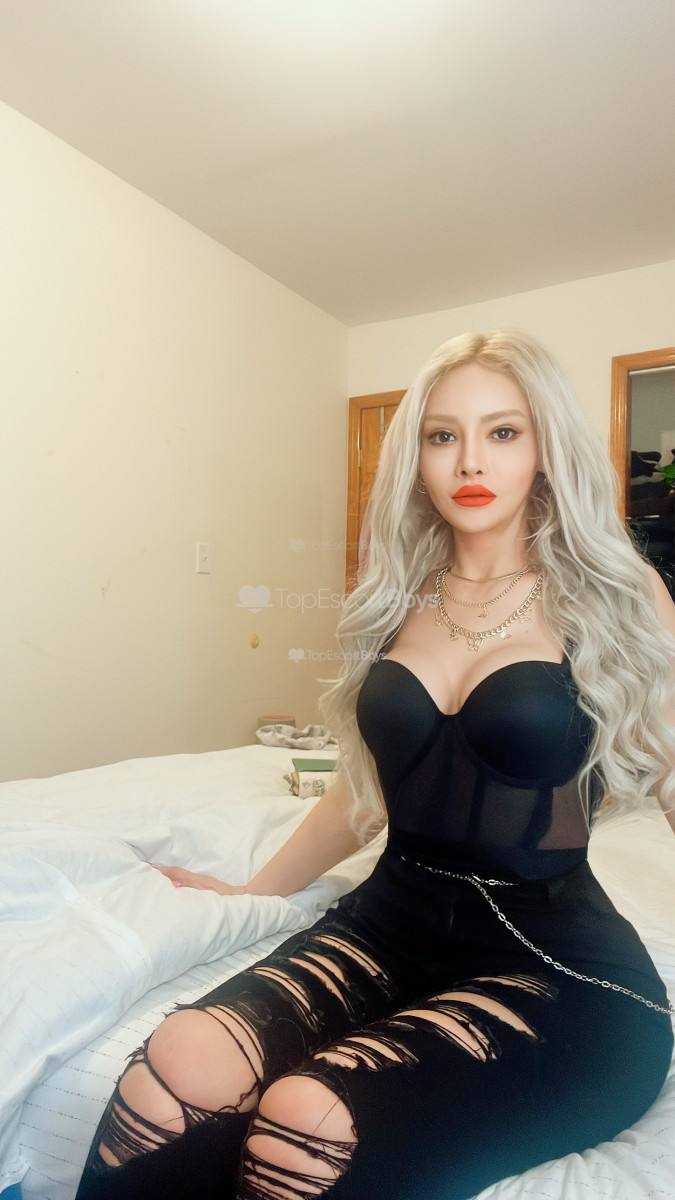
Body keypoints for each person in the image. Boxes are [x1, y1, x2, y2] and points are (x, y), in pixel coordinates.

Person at [76, 330, 675, 1200]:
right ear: (415, 456)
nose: (470, 460)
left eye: (503, 432)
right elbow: (365, 790)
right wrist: (252, 892)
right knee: (176, 1064)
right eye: (442, 435)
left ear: (545, 448)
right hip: (386, 924)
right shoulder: (393, 598)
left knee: (305, 1121)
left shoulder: (616, 596)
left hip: (552, 959)